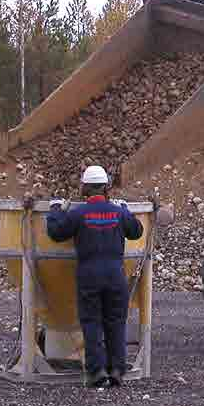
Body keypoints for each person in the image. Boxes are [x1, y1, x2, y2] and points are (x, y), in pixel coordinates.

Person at [46, 165, 144, 388]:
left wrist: (55, 210)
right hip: (115, 275)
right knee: (116, 323)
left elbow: (55, 233)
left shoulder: (78, 214)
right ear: (106, 187)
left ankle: (96, 371)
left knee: (91, 323)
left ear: (85, 188)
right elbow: (136, 231)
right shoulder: (118, 213)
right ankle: (117, 370)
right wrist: (126, 210)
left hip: (89, 275)